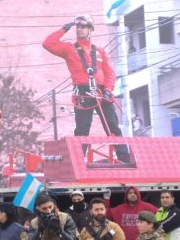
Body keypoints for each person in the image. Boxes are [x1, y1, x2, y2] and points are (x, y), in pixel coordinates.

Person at [43, 15, 129, 162]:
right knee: (82, 131)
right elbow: (48, 44)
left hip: (102, 93)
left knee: (113, 128)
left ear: (90, 30)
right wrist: (64, 29)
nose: (80, 29)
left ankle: (126, 160)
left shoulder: (100, 51)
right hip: (83, 94)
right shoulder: (69, 49)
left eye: (83, 27)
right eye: (78, 27)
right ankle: (78, 163)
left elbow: (110, 73)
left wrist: (108, 90)